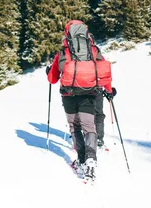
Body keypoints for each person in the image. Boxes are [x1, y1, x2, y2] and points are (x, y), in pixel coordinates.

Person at [46, 20, 113, 181]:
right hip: (89, 93)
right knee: (89, 126)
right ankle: (91, 158)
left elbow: (53, 79)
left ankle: (82, 160)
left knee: (75, 126)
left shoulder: (62, 52)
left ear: (67, 33)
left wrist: (49, 71)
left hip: (68, 95)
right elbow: (102, 73)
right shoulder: (94, 50)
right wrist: (109, 91)